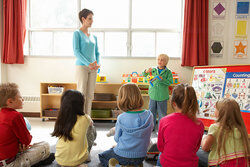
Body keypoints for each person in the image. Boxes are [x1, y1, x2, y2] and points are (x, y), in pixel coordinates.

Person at [99, 83, 154, 167]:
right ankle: (135, 164)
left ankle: (119, 166)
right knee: (122, 154)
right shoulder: (149, 115)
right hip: (141, 155)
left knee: (103, 156)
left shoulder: (121, 117)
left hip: (123, 155)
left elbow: (117, 139)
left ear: (122, 99)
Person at [0, 83, 54, 167]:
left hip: (4, 158)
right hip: (10, 163)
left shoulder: (1, 114)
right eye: (20, 97)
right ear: (10, 101)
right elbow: (27, 140)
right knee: (45, 146)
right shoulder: (16, 116)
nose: (23, 99)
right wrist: (22, 145)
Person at [157, 84, 204, 167]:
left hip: (167, 163)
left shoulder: (164, 121)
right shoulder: (199, 124)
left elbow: (160, 147)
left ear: (174, 103)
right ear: (193, 102)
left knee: (161, 155)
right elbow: (196, 148)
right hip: (190, 164)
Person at [51, 89, 96, 167]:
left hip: (60, 159)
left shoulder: (60, 118)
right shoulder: (85, 118)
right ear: (81, 104)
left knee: (63, 138)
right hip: (80, 159)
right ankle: (81, 160)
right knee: (92, 128)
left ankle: (67, 163)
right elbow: (91, 124)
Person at [200, 98, 250, 167]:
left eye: (215, 109)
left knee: (198, 153)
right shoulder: (240, 128)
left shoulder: (215, 127)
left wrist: (204, 138)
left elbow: (205, 147)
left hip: (223, 164)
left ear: (220, 112)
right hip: (243, 163)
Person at [73, 8, 100, 115]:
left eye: (92, 18)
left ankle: (88, 118)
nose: (92, 21)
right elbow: (76, 52)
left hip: (93, 68)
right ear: (83, 19)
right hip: (82, 67)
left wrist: (97, 63)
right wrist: (88, 63)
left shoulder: (94, 37)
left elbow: (97, 52)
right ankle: (80, 117)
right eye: (90, 19)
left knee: (90, 95)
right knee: (81, 93)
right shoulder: (77, 34)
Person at [142, 53, 173, 130]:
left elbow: (170, 82)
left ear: (166, 62)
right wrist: (146, 71)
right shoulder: (153, 70)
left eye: (162, 60)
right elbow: (144, 74)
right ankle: (151, 128)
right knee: (151, 112)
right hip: (153, 95)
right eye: (158, 59)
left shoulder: (168, 72)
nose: (160, 61)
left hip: (162, 96)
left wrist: (162, 79)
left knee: (162, 114)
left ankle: (161, 129)